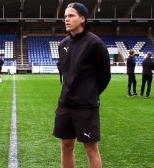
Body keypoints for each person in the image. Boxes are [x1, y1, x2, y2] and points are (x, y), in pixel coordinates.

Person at [53, 2, 111, 168]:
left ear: (82, 18)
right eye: (65, 16)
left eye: (71, 15)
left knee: (91, 148)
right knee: (66, 146)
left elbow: (104, 77)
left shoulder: (95, 44)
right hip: (64, 104)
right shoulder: (63, 44)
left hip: (86, 106)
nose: (66, 19)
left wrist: (89, 94)